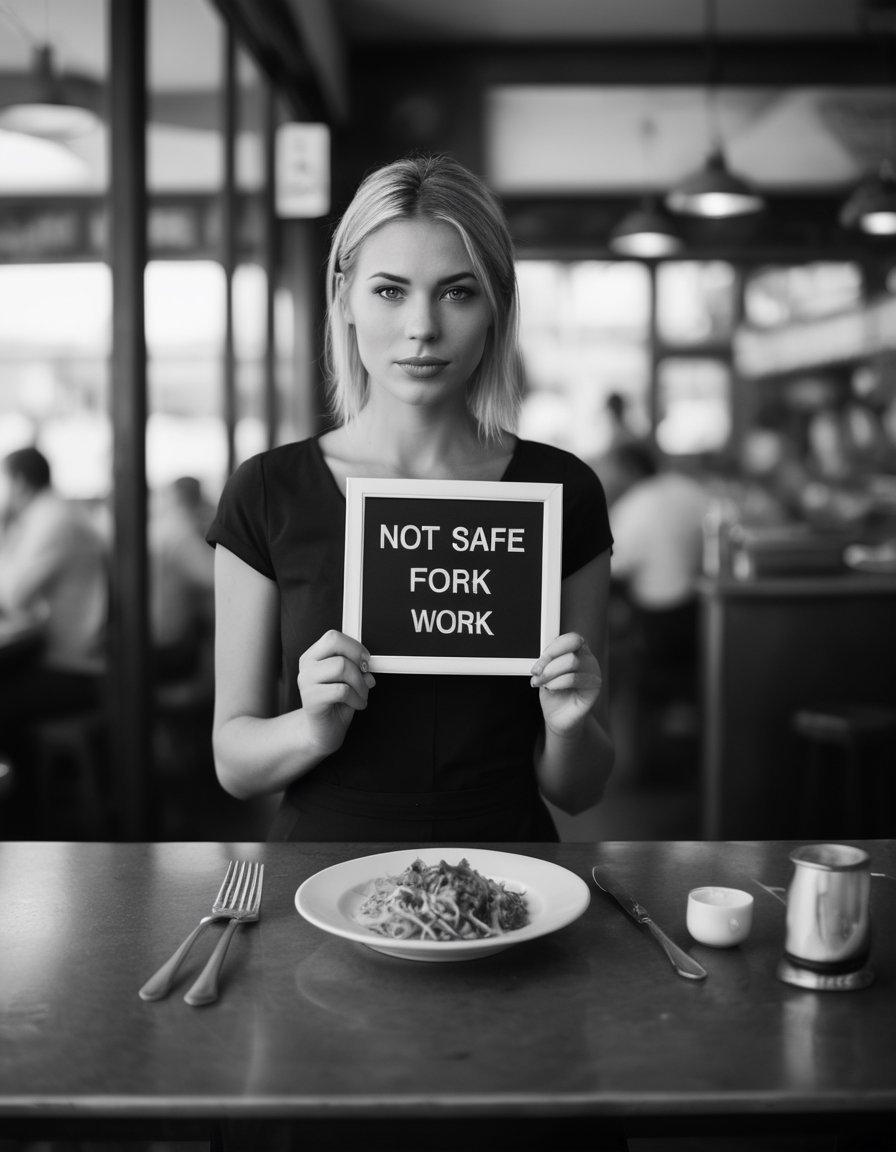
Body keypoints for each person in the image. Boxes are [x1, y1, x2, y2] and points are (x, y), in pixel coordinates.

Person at [206, 154, 615, 842]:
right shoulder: (267, 491)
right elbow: (234, 764)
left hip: (511, 868)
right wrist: (311, 728)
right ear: (344, 299)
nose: (422, 327)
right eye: (390, 292)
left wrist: (570, 722)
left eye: (458, 292)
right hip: (319, 870)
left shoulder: (564, 491)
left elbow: (580, 790)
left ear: (496, 307)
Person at [0, 446, 108, 806]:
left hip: (77, 669)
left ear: (18, 481)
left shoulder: (52, 519)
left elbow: (15, 596)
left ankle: (24, 810)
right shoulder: (57, 513)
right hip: (82, 656)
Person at [149, 475, 215, 683]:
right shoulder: (181, 531)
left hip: (152, 631)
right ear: (198, 498)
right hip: (170, 640)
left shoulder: (160, 526)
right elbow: (212, 577)